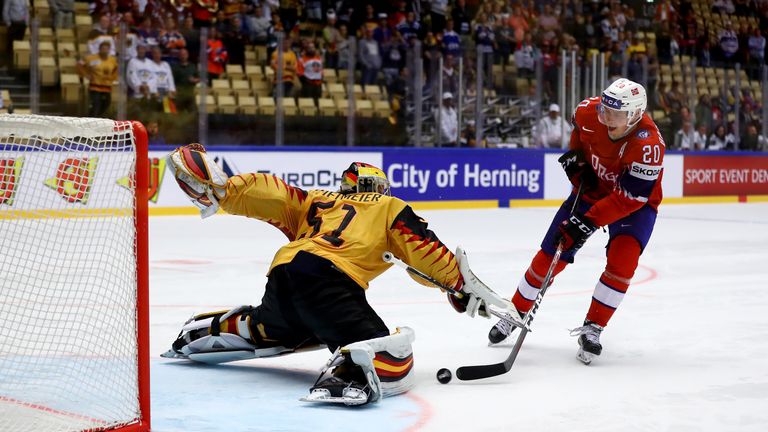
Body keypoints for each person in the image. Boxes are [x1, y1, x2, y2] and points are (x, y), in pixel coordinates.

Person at [163, 147, 498, 405]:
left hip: (285, 273)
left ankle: (213, 329)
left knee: (277, 326)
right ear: (380, 186)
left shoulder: (317, 200)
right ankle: (349, 373)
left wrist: (225, 190)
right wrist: (458, 284)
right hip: (328, 280)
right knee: (388, 352)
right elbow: (421, 250)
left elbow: (272, 194)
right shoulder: (388, 206)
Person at [488, 78, 665, 365]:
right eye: (605, 108)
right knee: (550, 254)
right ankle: (516, 312)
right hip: (591, 191)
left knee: (623, 263)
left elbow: (629, 198)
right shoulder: (588, 112)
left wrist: (586, 222)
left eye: (615, 113)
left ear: (634, 114)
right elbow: (581, 135)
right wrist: (578, 162)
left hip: (633, 205)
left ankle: (594, 327)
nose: (606, 116)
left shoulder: (649, 145)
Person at [77, 40, 118, 117]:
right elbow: (79, 65)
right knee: (95, 105)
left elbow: (116, 70)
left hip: (107, 86)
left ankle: (97, 118)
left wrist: (112, 78)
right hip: (95, 86)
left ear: (109, 50)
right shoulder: (91, 58)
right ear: (99, 49)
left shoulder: (112, 60)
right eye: (103, 48)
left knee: (106, 104)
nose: (104, 50)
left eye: (106, 49)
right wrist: (86, 75)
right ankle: (91, 120)